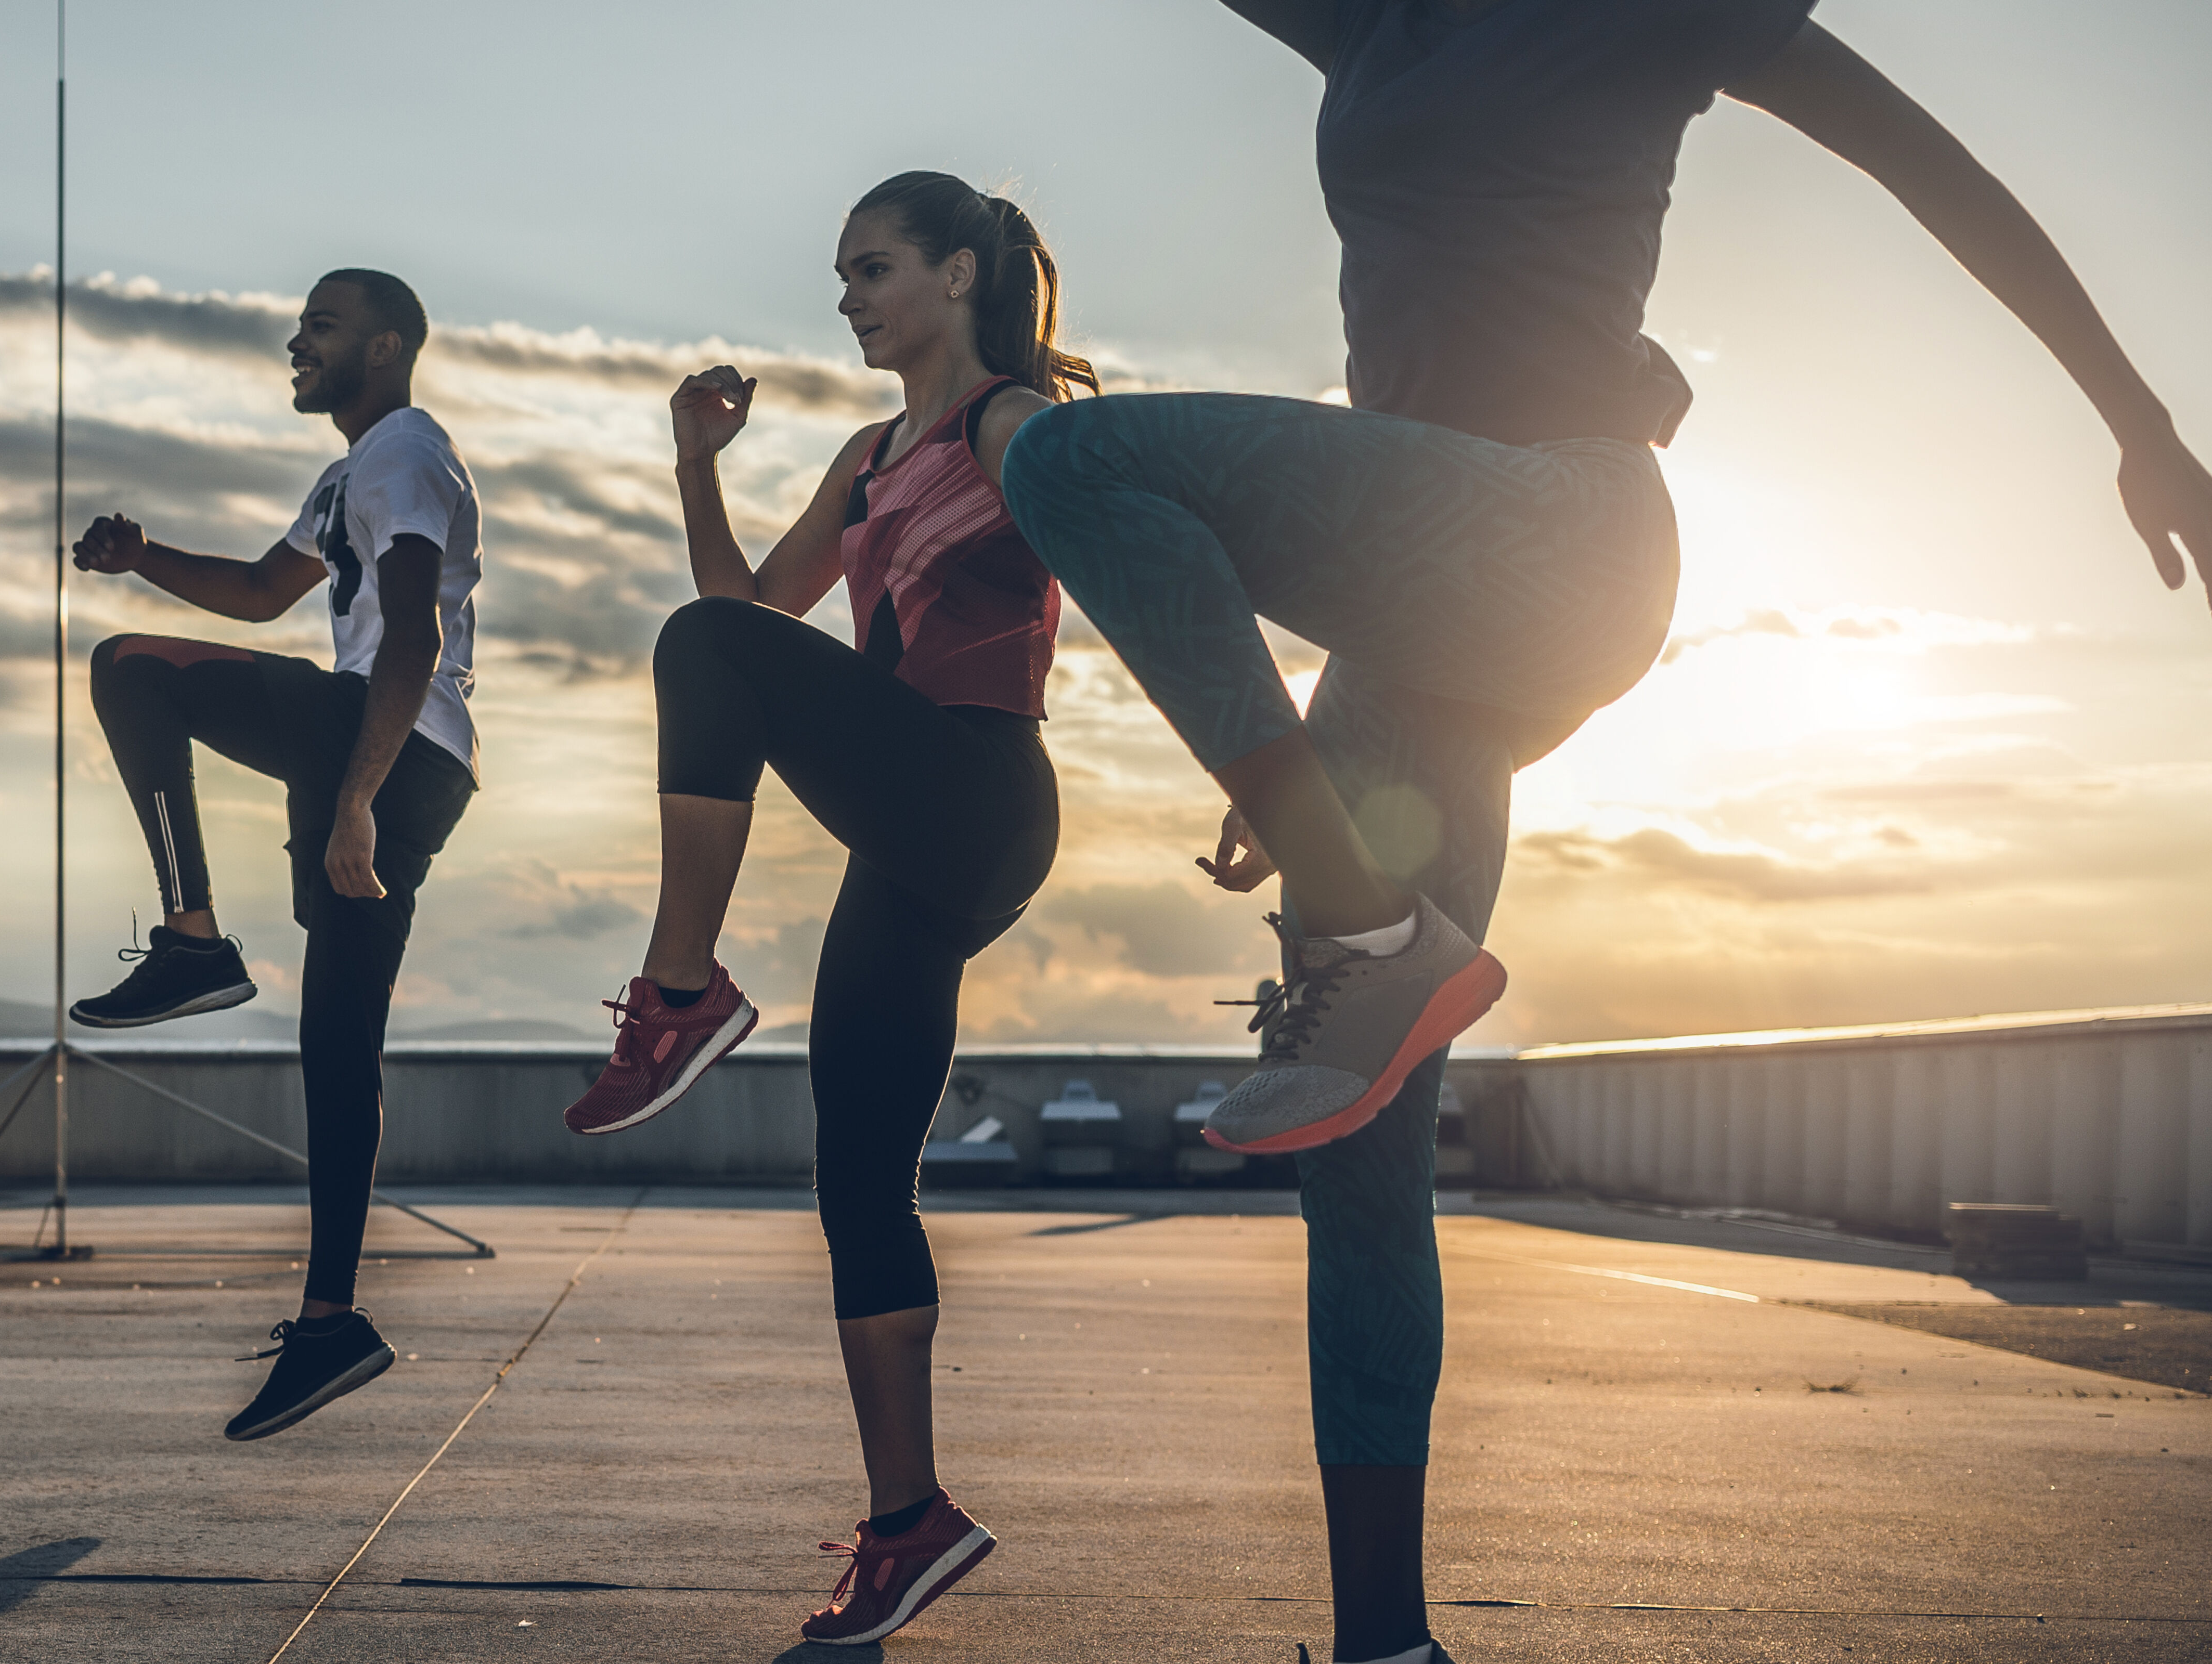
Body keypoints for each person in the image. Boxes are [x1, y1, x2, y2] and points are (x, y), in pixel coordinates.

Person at [986, 6, 2212, 1661]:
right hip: (1411, 610)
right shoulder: (1368, 19)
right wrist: (1281, 755)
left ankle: (1375, 934)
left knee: (1072, 455)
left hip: (1564, 535)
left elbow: (1944, 178)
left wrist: (2141, 425)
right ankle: (1386, 1640)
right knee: (1359, 1142)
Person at [556, 172, 1098, 1646]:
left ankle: (681, 996)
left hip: (976, 787)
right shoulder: (869, 459)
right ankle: (908, 1520)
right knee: (858, 1176)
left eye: (872, 269)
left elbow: (1132, 571)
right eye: (843, 273)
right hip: (905, 830)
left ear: (959, 274)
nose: (847, 297)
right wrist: (694, 465)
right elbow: (749, 616)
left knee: (699, 648)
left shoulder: (1011, 427)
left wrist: (1258, 772)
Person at [67, 268, 483, 1443]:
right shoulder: (352, 472)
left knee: (129, 670)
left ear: (386, 346)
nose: (297, 343)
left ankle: (193, 940)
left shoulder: (404, 452)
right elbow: (260, 593)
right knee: (337, 1043)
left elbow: (415, 631)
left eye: (322, 327)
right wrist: (146, 553)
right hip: (405, 759)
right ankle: (331, 1321)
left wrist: (355, 798)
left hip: (380, 741)